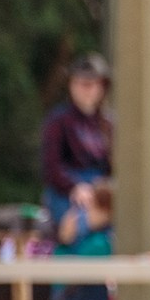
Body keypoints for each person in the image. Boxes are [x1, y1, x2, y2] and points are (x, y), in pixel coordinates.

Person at [40, 54, 114, 230]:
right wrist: (75, 187)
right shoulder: (58, 121)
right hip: (67, 191)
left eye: (94, 84)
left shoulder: (109, 124)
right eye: (83, 84)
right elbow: (52, 167)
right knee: (79, 227)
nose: (88, 89)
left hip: (102, 190)